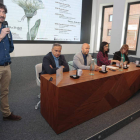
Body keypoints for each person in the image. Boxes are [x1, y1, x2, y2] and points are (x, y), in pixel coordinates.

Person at [0, 3, 21, 121]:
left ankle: (6, 114)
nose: (2, 15)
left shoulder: (6, 29)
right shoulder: (2, 32)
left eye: (4, 12)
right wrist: (1, 36)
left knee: (4, 92)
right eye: (0, 11)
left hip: (6, 66)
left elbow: (10, 47)